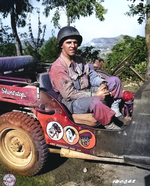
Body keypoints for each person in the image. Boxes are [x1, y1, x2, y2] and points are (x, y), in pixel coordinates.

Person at [49, 26, 127, 130]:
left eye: (75, 42)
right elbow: (69, 95)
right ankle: (111, 126)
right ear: (61, 45)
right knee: (95, 101)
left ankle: (115, 110)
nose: (72, 46)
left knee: (114, 81)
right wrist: (95, 95)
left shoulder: (79, 60)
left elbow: (91, 76)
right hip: (71, 103)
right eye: (68, 42)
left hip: (86, 93)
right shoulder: (58, 68)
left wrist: (102, 84)